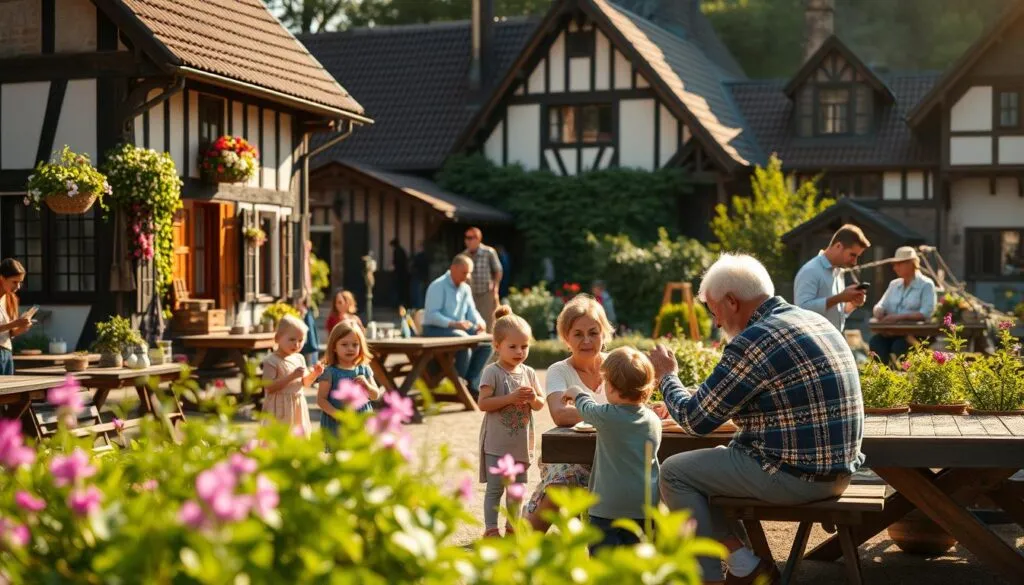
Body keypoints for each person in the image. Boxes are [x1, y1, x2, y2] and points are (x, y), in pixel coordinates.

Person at [654, 253, 863, 585]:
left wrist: (667, 377)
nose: (716, 323)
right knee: (707, 467)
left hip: (795, 478)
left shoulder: (755, 340)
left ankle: (712, 576)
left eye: (713, 311)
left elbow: (695, 421)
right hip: (840, 475)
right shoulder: (813, 321)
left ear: (732, 302)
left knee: (675, 473)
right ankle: (743, 564)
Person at [523, 294, 614, 532]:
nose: (587, 340)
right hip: (571, 454)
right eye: (578, 334)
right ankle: (526, 537)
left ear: (604, 334)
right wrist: (613, 413)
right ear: (566, 338)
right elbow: (560, 415)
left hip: (615, 453)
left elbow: (638, 403)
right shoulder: (559, 371)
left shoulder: (617, 366)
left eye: (593, 333)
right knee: (560, 484)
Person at [561, 347, 661, 553]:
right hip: (645, 507)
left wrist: (576, 392)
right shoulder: (653, 419)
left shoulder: (607, 416)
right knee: (638, 563)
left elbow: (587, 408)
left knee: (603, 562)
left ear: (613, 388)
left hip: (607, 508)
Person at [477, 306, 545, 538]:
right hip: (496, 445)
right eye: (513, 346)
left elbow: (540, 404)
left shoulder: (529, 373)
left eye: (524, 346)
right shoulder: (492, 372)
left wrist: (533, 399)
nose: (519, 352)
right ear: (497, 346)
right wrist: (510, 398)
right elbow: (483, 404)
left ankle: (512, 527)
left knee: (517, 490)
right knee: (495, 489)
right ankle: (491, 529)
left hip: (521, 446)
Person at [422, 254, 492, 398]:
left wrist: (480, 322)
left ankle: (470, 383)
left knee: (487, 343)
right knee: (464, 340)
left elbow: (472, 311)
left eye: (469, 273)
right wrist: (453, 324)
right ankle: (458, 384)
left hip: (458, 329)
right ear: (453, 268)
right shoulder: (437, 286)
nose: (467, 277)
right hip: (434, 329)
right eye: (464, 272)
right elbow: (431, 315)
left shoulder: (465, 288)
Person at [793, 224, 871, 331]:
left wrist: (853, 303)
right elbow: (802, 309)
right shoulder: (810, 270)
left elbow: (837, 313)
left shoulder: (838, 271)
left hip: (832, 337)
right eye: (852, 255)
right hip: (815, 338)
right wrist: (840, 298)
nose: (855, 262)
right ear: (838, 246)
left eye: (857, 256)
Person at [869, 246, 938, 365]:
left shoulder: (926, 284)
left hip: (915, 335)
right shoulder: (894, 284)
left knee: (900, 346)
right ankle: (883, 375)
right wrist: (878, 311)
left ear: (911, 264)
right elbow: (880, 305)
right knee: (876, 342)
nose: (895, 267)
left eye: (899, 264)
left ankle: (907, 374)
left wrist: (898, 317)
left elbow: (926, 313)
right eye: (895, 264)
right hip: (891, 332)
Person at [317, 320, 380, 444]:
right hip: (337, 423)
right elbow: (321, 400)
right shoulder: (330, 372)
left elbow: (375, 395)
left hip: (360, 421)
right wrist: (338, 415)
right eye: (344, 344)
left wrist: (367, 386)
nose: (350, 348)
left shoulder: (363, 369)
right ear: (334, 347)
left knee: (360, 452)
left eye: (355, 345)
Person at [261, 315, 324, 438]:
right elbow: (268, 387)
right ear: (277, 338)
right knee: (280, 439)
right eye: (292, 339)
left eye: (300, 340)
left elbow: (305, 383)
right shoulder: (271, 360)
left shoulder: (299, 358)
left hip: (297, 405)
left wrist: (315, 374)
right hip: (279, 408)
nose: (296, 344)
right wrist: (292, 376)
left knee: (298, 439)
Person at [462, 227, 503, 332]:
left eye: (470, 238)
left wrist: (495, 286)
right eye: (466, 238)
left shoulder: (489, 252)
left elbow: (498, 270)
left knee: (489, 323)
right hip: (471, 294)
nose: (467, 241)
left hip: (486, 293)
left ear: (478, 239)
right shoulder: (464, 255)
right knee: (473, 323)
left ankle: (489, 342)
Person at [0, 259, 33, 376]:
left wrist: (22, 327)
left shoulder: (11, 299)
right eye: (14, 282)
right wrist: (14, 324)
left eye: (20, 282)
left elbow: (10, 333)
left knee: (9, 387)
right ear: (1, 278)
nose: (18, 286)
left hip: (7, 352)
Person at [297, 293, 320, 367]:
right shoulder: (306, 312)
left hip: (308, 345)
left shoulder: (306, 313)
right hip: (306, 344)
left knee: (309, 365)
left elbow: (309, 332)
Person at [390, 239, 410, 308]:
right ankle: (402, 304)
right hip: (403, 273)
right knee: (402, 290)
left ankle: (399, 304)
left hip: (400, 274)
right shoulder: (401, 250)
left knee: (399, 290)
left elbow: (397, 262)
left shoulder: (397, 251)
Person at [411, 242, 430, 309]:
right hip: (424, 277)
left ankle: (419, 308)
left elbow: (414, 266)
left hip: (418, 277)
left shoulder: (418, 257)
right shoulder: (426, 256)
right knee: (422, 294)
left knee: (418, 294)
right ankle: (422, 308)